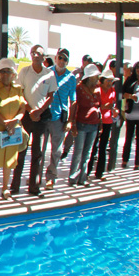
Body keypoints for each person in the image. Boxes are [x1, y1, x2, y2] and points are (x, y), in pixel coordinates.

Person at [11, 45, 57, 197]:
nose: (35, 55)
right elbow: (20, 93)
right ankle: (14, 186)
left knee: (38, 153)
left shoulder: (49, 74)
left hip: (42, 117)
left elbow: (51, 96)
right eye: (33, 53)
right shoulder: (24, 71)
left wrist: (39, 111)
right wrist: (31, 111)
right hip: (26, 116)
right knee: (21, 151)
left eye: (39, 53)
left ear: (44, 57)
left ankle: (34, 187)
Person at [0, 58, 26, 200]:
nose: (6, 74)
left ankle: (5, 187)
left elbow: (22, 107)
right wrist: (4, 122)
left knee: (9, 160)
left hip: (13, 130)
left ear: (13, 74)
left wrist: (14, 121)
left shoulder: (18, 89)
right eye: (3, 72)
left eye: (8, 71)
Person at [45, 48, 76, 190]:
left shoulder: (71, 78)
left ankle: (51, 177)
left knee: (56, 151)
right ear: (55, 58)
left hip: (59, 119)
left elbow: (73, 101)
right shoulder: (47, 72)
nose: (62, 61)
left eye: (65, 59)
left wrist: (70, 121)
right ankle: (36, 176)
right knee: (39, 149)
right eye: (60, 58)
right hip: (44, 116)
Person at [68, 64, 101, 186]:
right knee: (78, 152)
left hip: (94, 125)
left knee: (87, 153)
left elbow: (98, 106)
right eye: (96, 76)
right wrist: (73, 124)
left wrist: (100, 124)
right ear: (90, 77)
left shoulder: (97, 89)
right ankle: (73, 178)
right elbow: (75, 106)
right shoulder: (79, 88)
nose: (97, 78)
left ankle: (82, 178)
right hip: (81, 124)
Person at [88, 68, 119, 180]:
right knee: (93, 146)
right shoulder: (97, 90)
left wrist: (114, 110)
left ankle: (99, 172)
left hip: (107, 121)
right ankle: (87, 171)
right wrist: (104, 107)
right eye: (108, 81)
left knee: (103, 147)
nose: (110, 83)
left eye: (111, 81)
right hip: (97, 121)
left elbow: (113, 105)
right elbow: (95, 106)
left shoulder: (112, 91)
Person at [121, 60, 139, 169]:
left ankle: (137, 162)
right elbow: (122, 94)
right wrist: (130, 96)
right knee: (128, 138)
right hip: (131, 114)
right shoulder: (129, 80)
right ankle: (125, 160)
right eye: (138, 67)